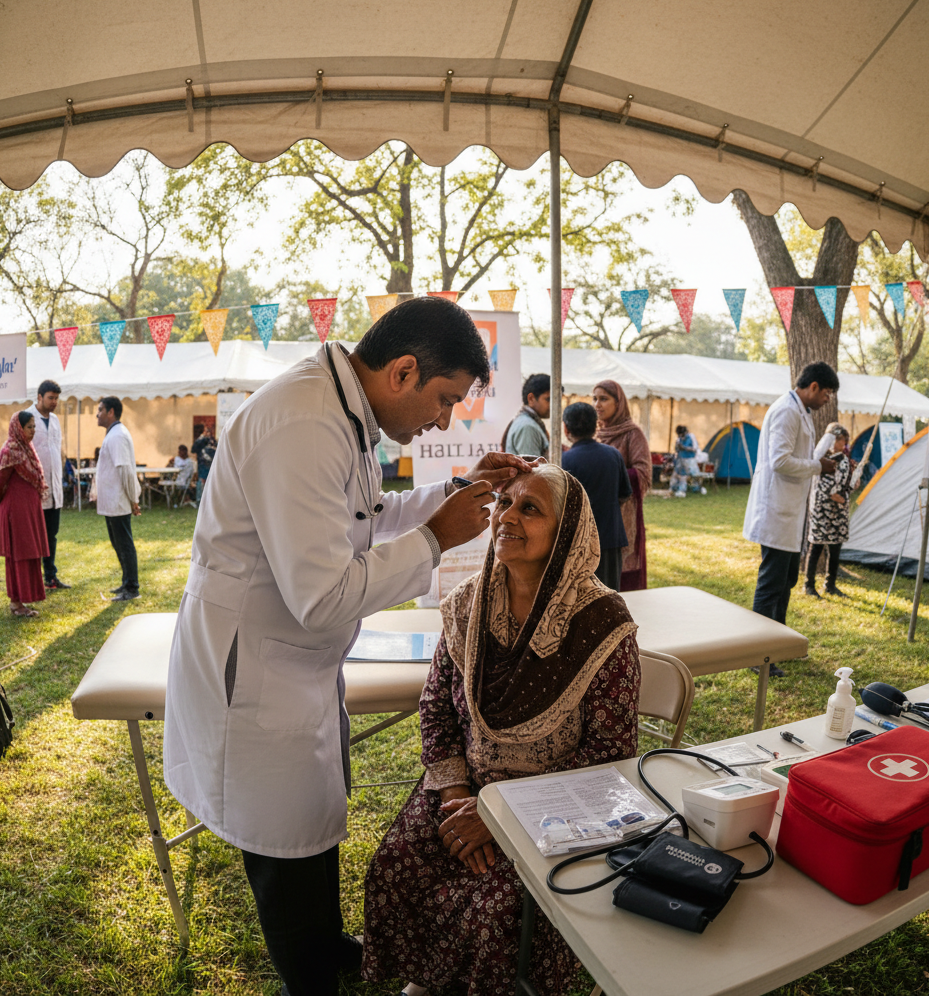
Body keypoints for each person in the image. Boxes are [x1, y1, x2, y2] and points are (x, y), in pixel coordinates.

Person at [162, 296, 535, 996]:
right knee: (284, 846)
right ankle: (309, 978)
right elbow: (322, 596)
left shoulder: (342, 413)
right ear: (403, 371)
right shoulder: (303, 424)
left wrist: (459, 491)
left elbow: (366, 517)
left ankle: (325, 942)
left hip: (292, 666)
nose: (444, 420)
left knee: (311, 822)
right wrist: (436, 539)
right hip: (257, 673)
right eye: (445, 399)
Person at [361, 465, 640, 996]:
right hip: (464, 784)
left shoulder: (602, 621)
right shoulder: (468, 603)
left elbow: (611, 751)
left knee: (494, 910)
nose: (506, 517)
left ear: (566, 532)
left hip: (557, 803)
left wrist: (500, 816)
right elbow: (436, 705)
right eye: (505, 503)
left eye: (529, 508)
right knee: (399, 862)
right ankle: (430, 976)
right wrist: (457, 794)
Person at [744, 363, 839, 666]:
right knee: (771, 584)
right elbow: (780, 461)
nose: (827, 399)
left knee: (786, 581)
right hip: (776, 512)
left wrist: (819, 461)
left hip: (790, 513)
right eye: (826, 393)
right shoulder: (787, 411)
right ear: (813, 386)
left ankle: (778, 645)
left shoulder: (802, 412)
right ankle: (759, 655)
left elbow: (798, 457)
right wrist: (818, 466)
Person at [561, 401, 632, 589]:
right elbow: (625, 494)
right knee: (610, 595)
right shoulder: (613, 455)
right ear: (596, 426)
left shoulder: (564, 460)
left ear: (566, 429)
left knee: (579, 597)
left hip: (577, 543)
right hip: (610, 539)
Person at [593, 379, 651, 590]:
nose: (597, 404)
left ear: (618, 403)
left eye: (603, 399)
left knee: (623, 576)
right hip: (599, 513)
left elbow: (643, 473)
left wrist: (609, 474)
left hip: (625, 513)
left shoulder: (632, 433)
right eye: (595, 399)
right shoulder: (597, 434)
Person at [0, 412, 49, 618]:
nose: (33, 431)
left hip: (28, 510)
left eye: (34, 427)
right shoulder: (10, 450)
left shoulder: (27, 449)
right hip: (16, 511)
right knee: (20, 554)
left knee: (29, 551)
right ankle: (16, 603)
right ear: (18, 428)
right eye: (29, 427)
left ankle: (23, 598)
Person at [93, 396, 142, 602]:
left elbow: (125, 470)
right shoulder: (113, 434)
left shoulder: (117, 436)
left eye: (100, 410)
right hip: (112, 502)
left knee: (124, 544)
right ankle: (126, 582)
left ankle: (132, 587)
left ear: (111, 412)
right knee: (118, 543)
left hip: (118, 501)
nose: (97, 414)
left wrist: (133, 499)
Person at [26, 380, 71, 589]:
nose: (54, 402)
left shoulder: (55, 420)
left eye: (56, 398)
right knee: (34, 536)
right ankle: (34, 578)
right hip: (34, 488)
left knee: (51, 534)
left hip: (54, 487)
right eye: (50, 398)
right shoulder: (26, 417)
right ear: (39, 397)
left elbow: (57, 450)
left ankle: (50, 576)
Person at [805, 426, 856, 598]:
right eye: (840, 440)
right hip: (822, 509)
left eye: (843, 441)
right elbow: (821, 483)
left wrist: (851, 484)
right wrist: (834, 494)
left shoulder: (844, 460)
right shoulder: (820, 458)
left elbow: (846, 482)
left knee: (835, 548)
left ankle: (830, 584)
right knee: (816, 547)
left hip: (838, 511)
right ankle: (809, 585)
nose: (841, 444)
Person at [501, 372, 550, 458]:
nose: (554, 405)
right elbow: (532, 466)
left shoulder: (527, 422)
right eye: (548, 399)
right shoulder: (528, 427)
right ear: (531, 398)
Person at [669, 424, 702, 497]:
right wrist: (678, 447)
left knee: (694, 475)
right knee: (680, 475)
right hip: (681, 459)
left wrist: (684, 448)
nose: (681, 436)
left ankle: (697, 488)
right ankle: (677, 489)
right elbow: (676, 449)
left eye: (682, 434)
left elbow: (695, 448)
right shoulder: (679, 439)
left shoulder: (691, 436)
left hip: (690, 459)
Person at [192, 424, 217, 505]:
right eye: (206, 431)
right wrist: (202, 438)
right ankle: (200, 501)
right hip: (203, 465)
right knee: (201, 482)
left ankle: (210, 501)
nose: (207, 433)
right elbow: (193, 449)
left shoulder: (213, 441)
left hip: (212, 465)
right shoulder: (200, 441)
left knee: (211, 483)